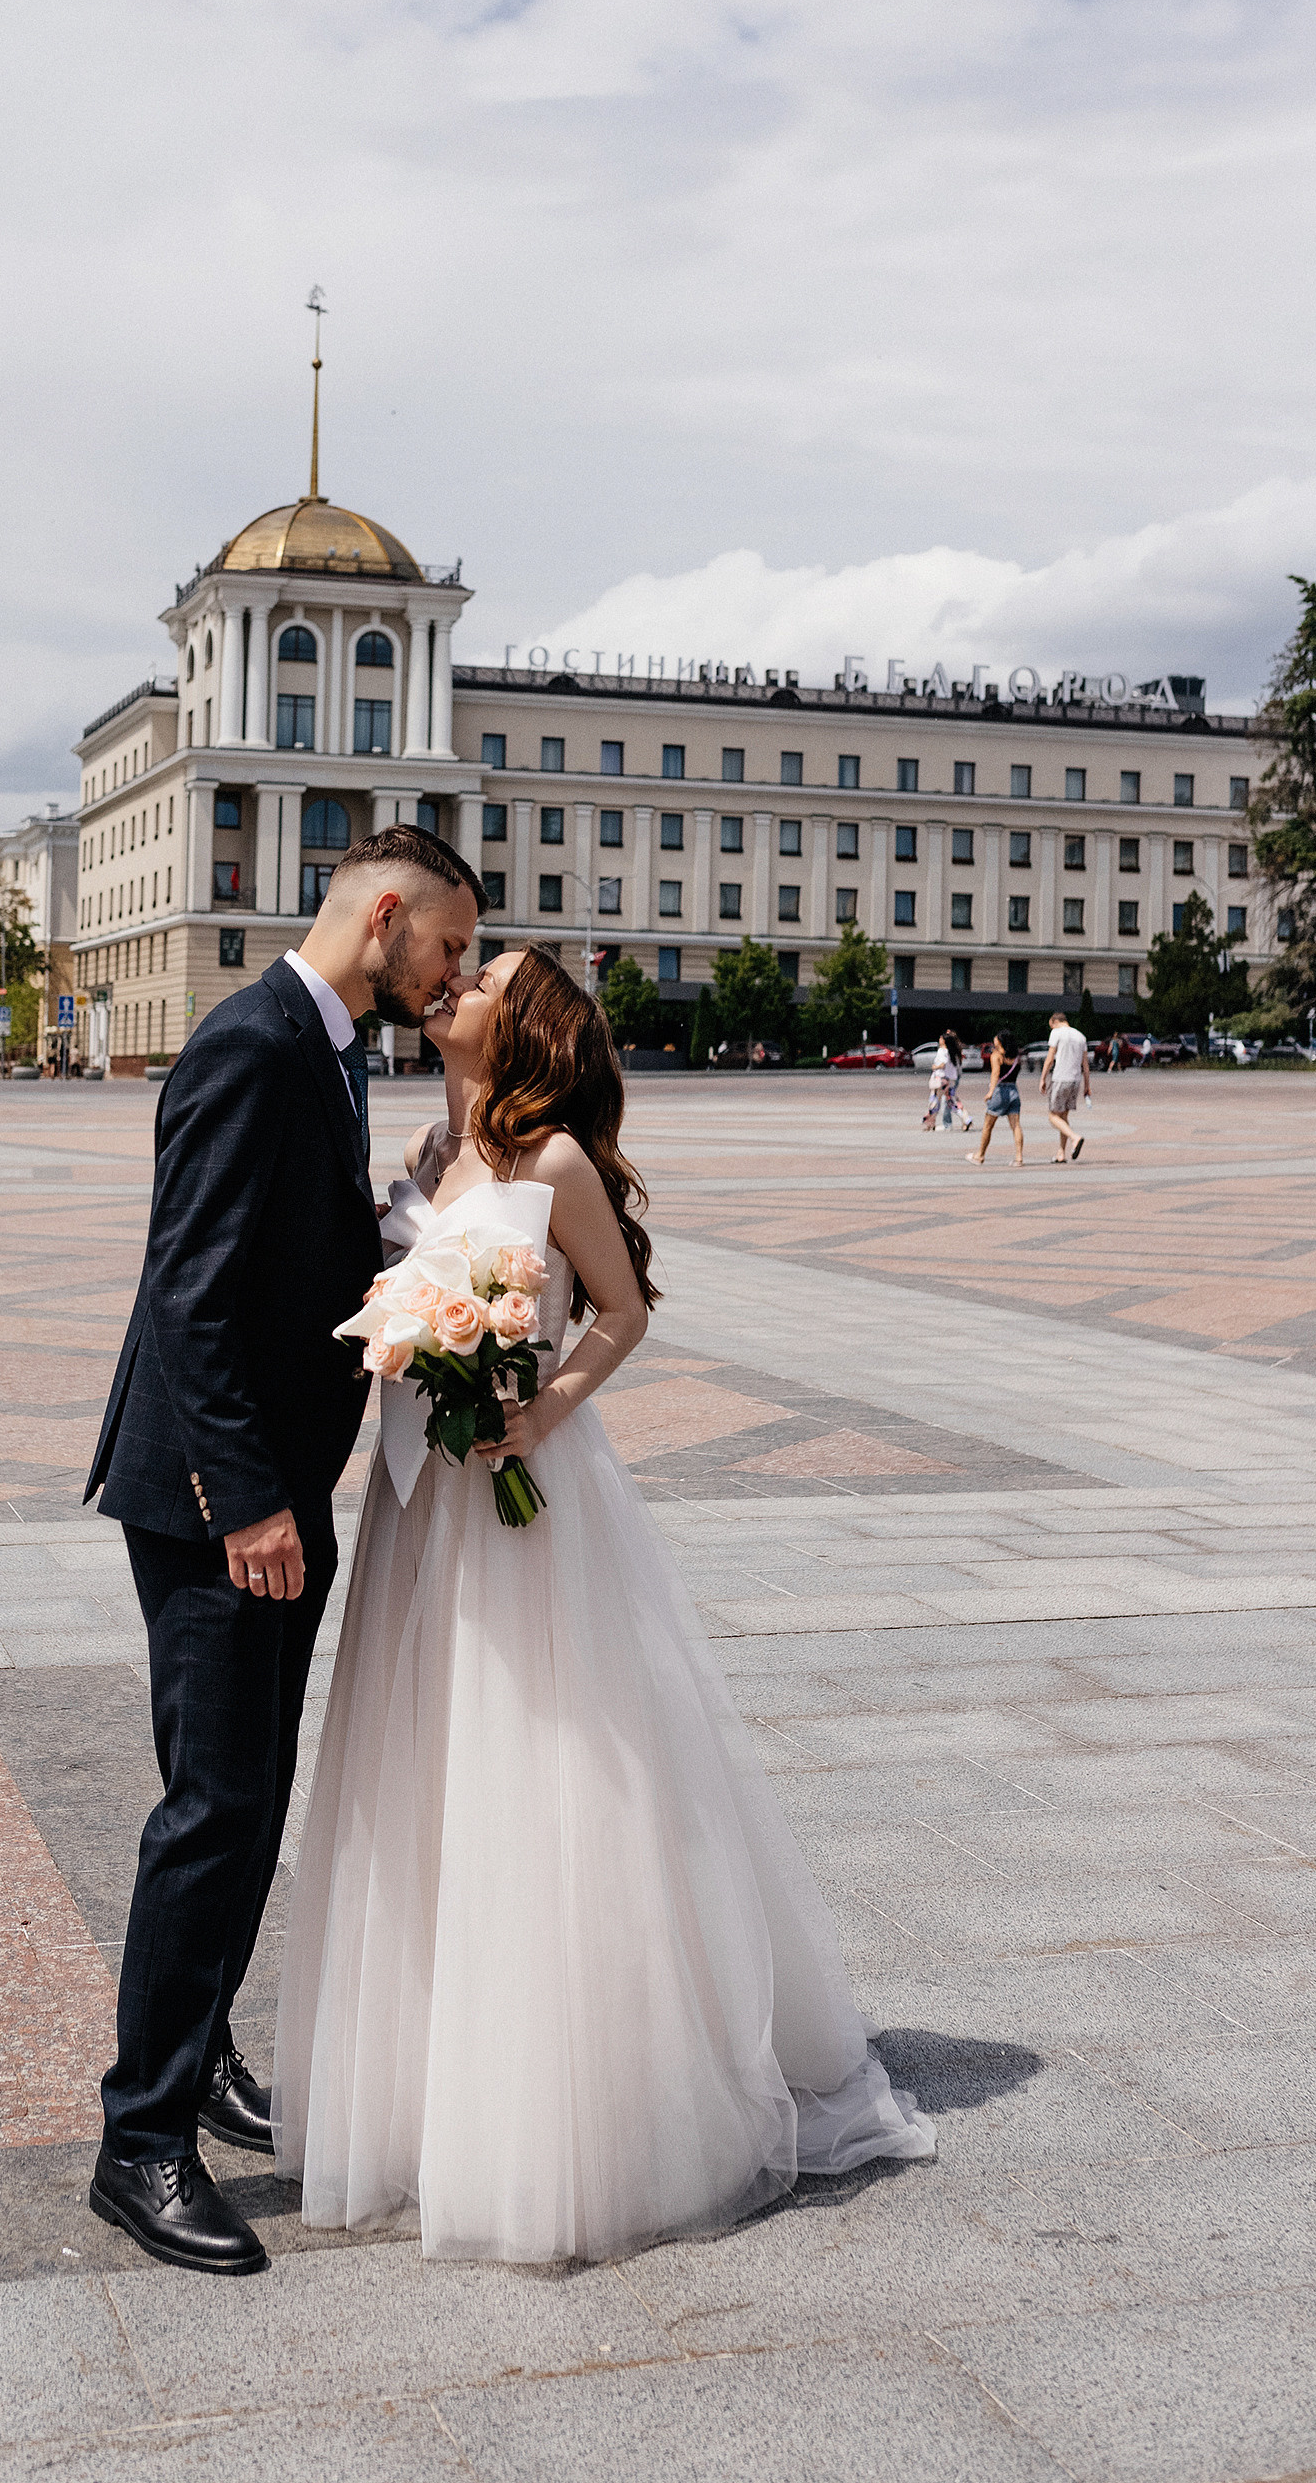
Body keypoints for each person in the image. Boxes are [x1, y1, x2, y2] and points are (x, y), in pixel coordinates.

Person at [273, 947, 933, 2263]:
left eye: (486, 979)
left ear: (527, 1032)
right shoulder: (421, 1142)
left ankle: (565, 2108)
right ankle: (421, 2089)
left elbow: (622, 1311)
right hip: (415, 1504)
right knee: (420, 1775)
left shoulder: (557, 1165)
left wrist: (540, 1408)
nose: (453, 984)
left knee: (544, 1768)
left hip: (519, 1498)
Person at [83, 825, 483, 2276]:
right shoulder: (249, 1042)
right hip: (211, 1500)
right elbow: (186, 1290)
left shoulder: (327, 1046)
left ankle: (196, 2062)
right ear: (386, 915)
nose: (453, 978)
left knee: (249, 1809)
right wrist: (249, 1500)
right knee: (212, 1808)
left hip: (268, 1487)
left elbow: (292, 1256)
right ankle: (139, 2141)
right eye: (446, 947)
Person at [967, 1027, 1025, 1167]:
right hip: (1014, 1091)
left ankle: (980, 1155)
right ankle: (1019, 1158)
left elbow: (995, 1074)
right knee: (1016, 1126)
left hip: (1000, 1092)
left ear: (1000, 1041)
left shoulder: (996, 1055)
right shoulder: (1016, 1056)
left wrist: (990, 1092)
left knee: (988, 1125)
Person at [1040, 1007, 1092, 1163]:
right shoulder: (1081, 1036)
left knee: (1053, 1116)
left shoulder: (1056, 1033)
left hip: (1061, 1078)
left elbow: (1050, 1058)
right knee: (1063, 1116)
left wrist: (1042, 1078)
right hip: (1075, 1080)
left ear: (1055, 1022)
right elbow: (1086, 1065)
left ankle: (1074, 1137)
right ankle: (1061, 1153)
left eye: (1051, 1025)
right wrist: (1087, 1086)